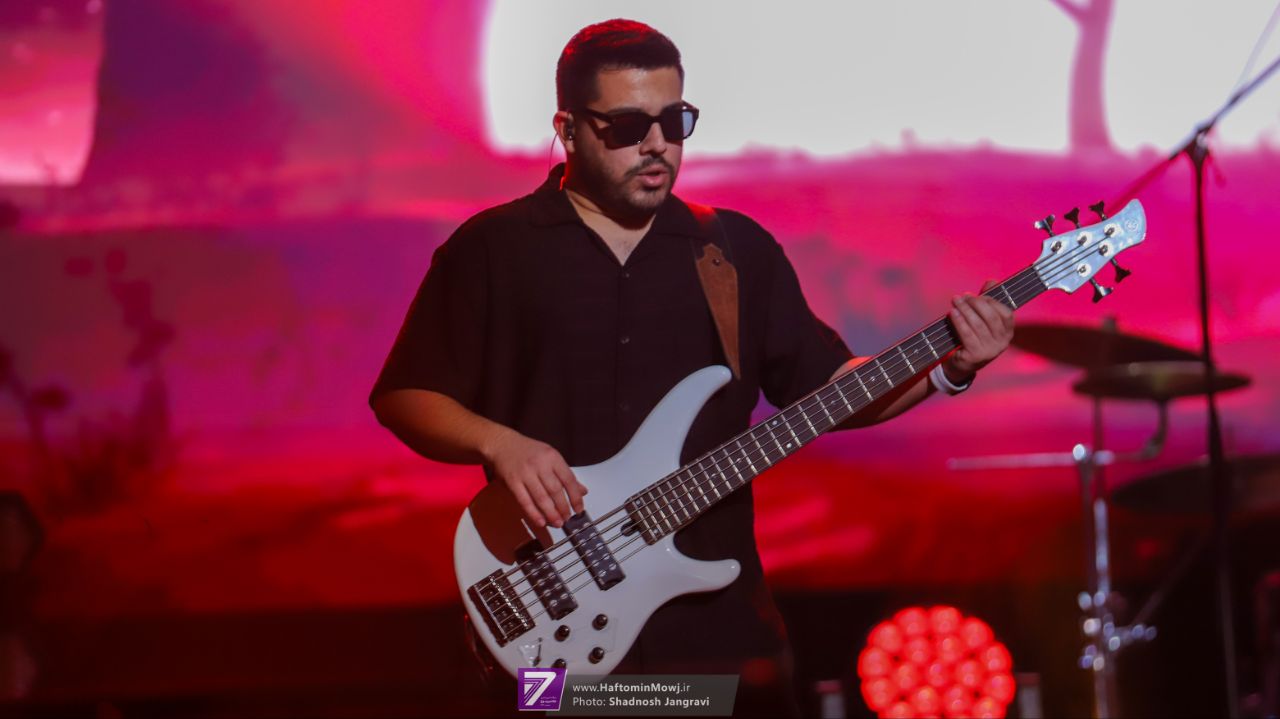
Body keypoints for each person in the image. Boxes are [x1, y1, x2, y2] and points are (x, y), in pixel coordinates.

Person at [370, 18, 1013, 716]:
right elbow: (405, 393)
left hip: (712, 636)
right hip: (555, 620)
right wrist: (501, 444)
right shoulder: (494, 248)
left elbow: (828, 388)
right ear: (568, 130)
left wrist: (947, 367)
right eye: (627, 125)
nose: (657, 144)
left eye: (674, 121)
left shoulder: (732, 250)